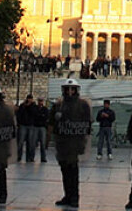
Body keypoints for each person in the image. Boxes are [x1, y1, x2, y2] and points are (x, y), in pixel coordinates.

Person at [51, 78, 92, 207]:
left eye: (72, 89)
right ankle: (67, 195)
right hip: (63, 142)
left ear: (76, 90)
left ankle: (74, 197)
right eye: (67, 89)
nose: (69, 92)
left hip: (75, 142)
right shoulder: (59, 105)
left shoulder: (82, 104)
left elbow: (87, 124)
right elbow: (51, 121)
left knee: (73, 171)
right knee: (65, 170)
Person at [16, 94, 36, 162]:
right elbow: (19, 114)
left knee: (30, 142)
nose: (29, 100)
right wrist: (24, 106)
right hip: (23, 125)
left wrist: (29, 106)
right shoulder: (22, 105)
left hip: (30, 125)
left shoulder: (33, 106)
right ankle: (19, 156)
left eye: (30, 99)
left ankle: (29, 157)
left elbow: (33, 113)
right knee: (20, 142)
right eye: (28, 98)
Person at [33, 97, 51, 162]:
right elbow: (35, 115)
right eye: (39, 101)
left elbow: (46, 117)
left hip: (42, 126)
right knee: (33, 143)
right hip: (36, 126)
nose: (40, 102)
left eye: (41, 101)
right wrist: (41, 116)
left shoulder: (45, 109)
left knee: (43, 143)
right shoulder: (35, 108)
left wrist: (40, 116)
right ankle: (32, 157)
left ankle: (43, 158)